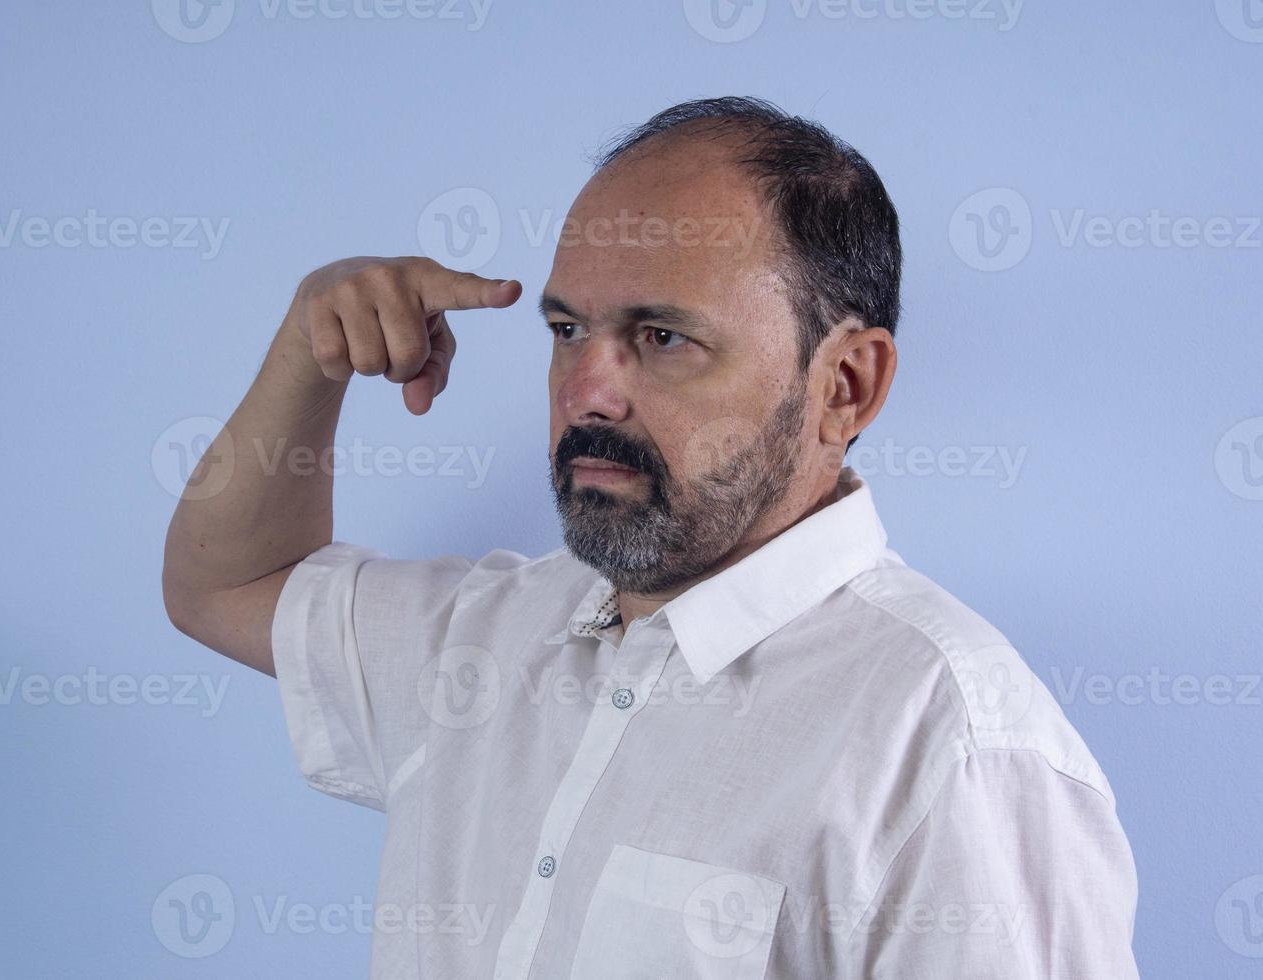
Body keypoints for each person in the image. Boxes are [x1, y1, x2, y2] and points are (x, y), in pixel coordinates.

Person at [162, 96, 1139, 978]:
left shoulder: (948, 748)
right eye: (566, 330)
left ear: (845, 386)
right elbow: (228, 581)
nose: (587, 391)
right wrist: (310, 351)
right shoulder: (477, 640)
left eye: (664, 337)